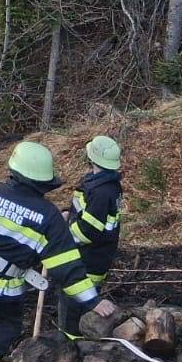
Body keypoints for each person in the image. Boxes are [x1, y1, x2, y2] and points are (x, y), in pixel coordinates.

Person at [0, 141, 118, 362]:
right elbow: (66, 266)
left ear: (13, 170)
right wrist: (93, 301)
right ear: (44, 182)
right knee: (7, 324)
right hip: (0, 284)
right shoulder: (49, 217)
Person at [59, 134, 123, 338]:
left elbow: (89, 231)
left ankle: (72, 343)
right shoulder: (95, 182)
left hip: (89, 259)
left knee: (75, 303)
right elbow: (83, 210)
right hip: (87, 254)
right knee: (72, 299)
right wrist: (68, 214)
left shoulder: (102, 191)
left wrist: (63, 237)